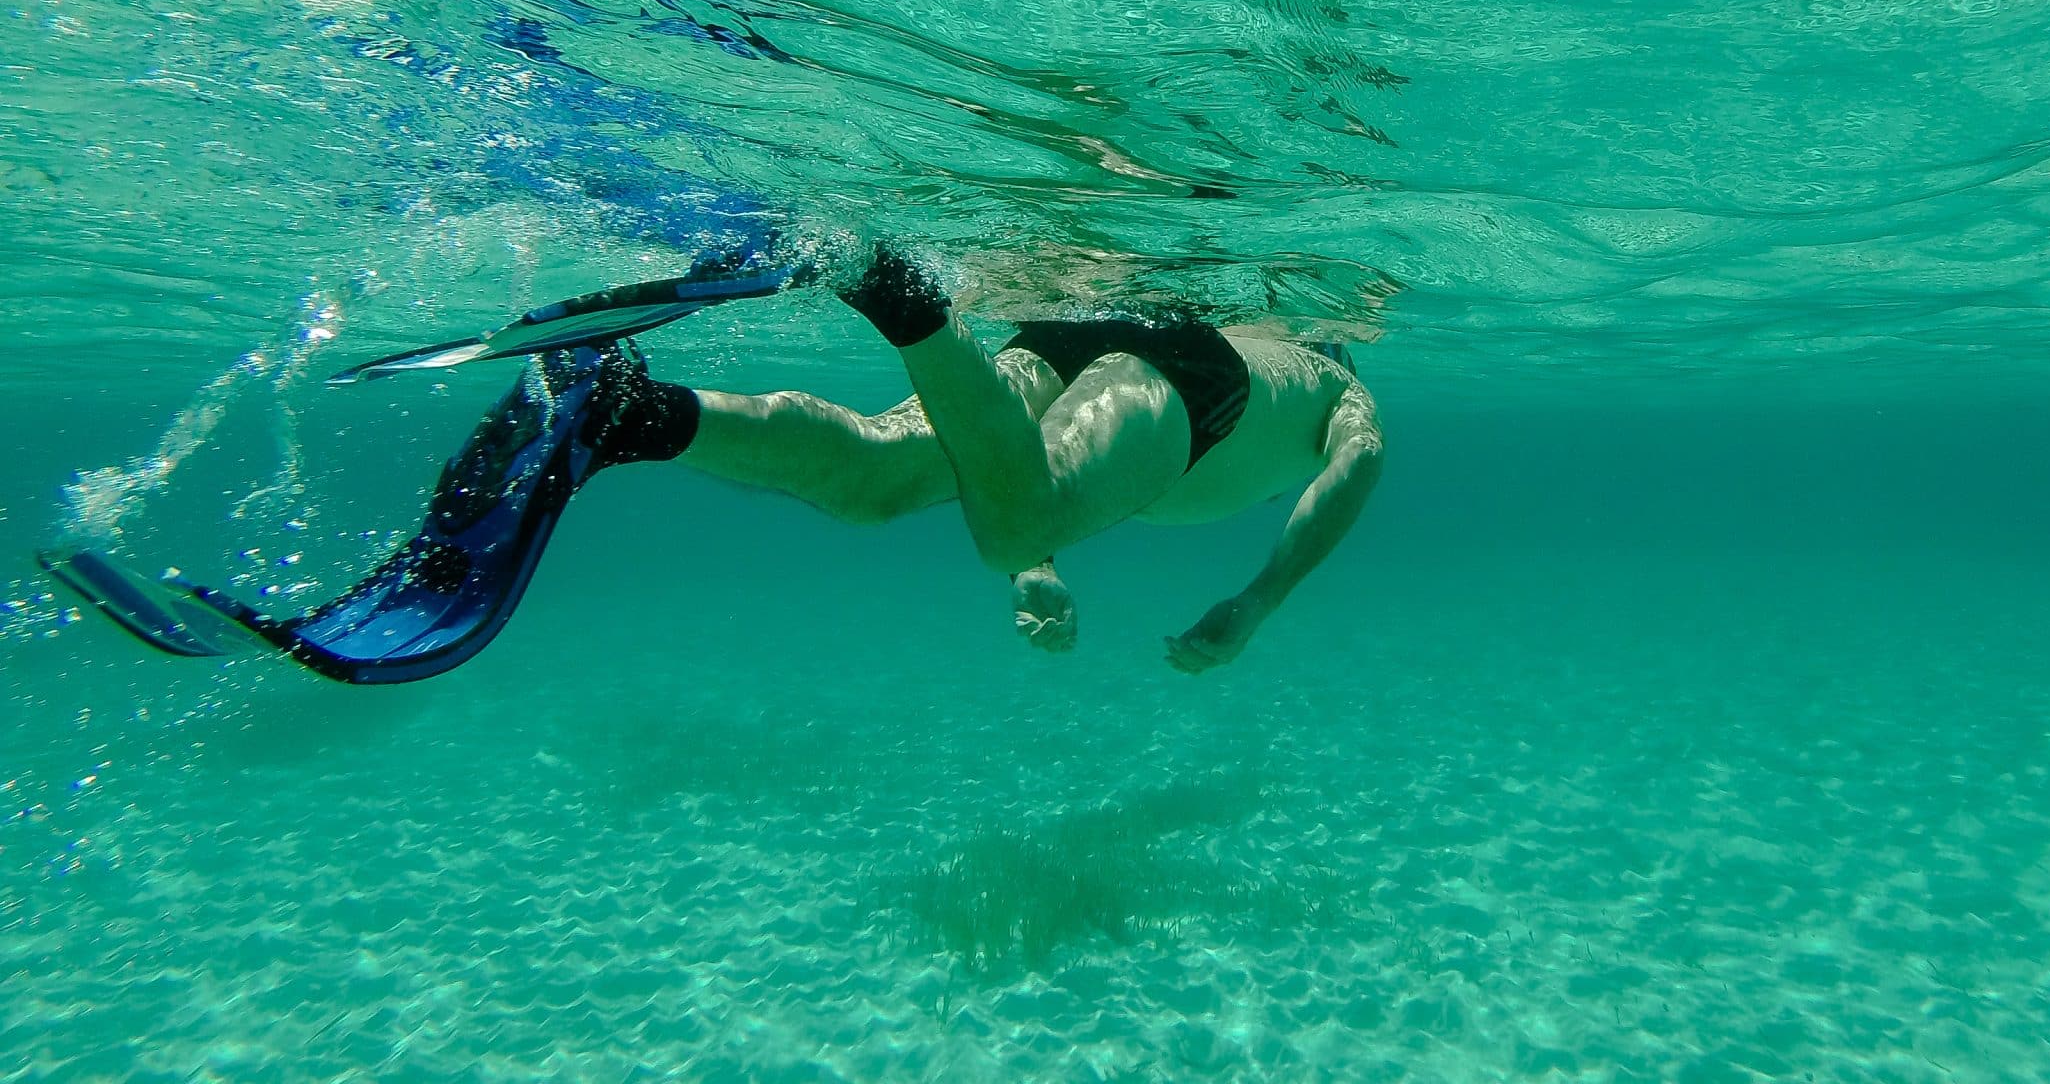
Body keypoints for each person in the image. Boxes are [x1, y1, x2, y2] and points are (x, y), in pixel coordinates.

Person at [449, 245, 1382, 674]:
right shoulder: (1335, 381)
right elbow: (1353, 472)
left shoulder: (1296, 354)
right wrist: (1255, 605)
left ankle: (624, 411)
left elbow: (1044, 451)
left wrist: (1040, 565)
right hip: (1193, 378)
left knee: (875, 481)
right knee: (1014, 522)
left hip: (1081, 334)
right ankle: (895, 291)